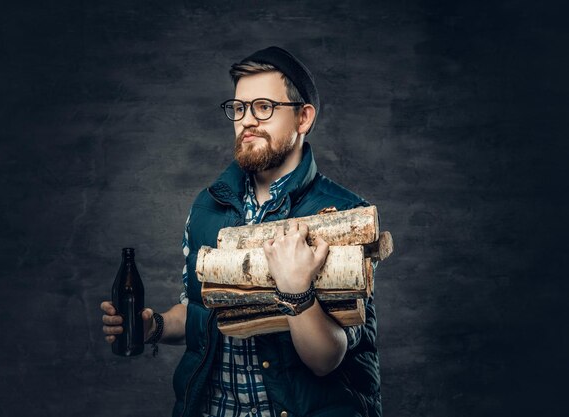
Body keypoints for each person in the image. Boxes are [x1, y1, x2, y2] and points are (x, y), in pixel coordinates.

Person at [101, 46, 381, 417]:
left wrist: (297, 292)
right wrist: (153, 325)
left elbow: (326, 360)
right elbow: (201, 312)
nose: (247, 120)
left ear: (303, 118)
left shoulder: (344, 216)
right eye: (239, 108)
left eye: (264, 107)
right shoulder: (207, 207)